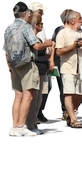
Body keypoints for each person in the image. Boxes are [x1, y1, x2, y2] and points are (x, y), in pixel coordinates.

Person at [3, 1, 52, 137]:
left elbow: (6, 51)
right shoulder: (25, 27)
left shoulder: (8, 28)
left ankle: (14, 126)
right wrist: (47, 44)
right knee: (28, 95)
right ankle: (22, 125)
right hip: (27, 63)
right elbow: (35, 46)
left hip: (14, 65)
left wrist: (9, 67)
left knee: (18, 96)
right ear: (25, 13)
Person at [55, 10, 82, 128]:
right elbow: (58, 51)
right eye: (80, 18)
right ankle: (74, 119)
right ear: (72, 21)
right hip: (68, 68)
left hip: (81, 69)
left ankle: (70, 114)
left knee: (80, 95)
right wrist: (73, 46)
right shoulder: (63, 33)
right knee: (69, 93)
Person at [26, 13, 51, 134]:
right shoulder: (33, 39)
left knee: (38, 99)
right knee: (34, 99)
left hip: (41, 71)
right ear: (36, 25)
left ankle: (32, 123)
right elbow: (35, 51)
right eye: (41, 24)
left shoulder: (37, 37)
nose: (42, 26)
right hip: (34, 71)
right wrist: (46, 44)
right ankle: (30, 125)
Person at [50, 9, 72, 120]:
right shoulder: (58, 30)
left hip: (73, 63)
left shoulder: (77, 30)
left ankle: (72, 109)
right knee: (63, 88)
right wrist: (52, 60)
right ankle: (65, 111)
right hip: (59, 61)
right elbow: (53, 45)